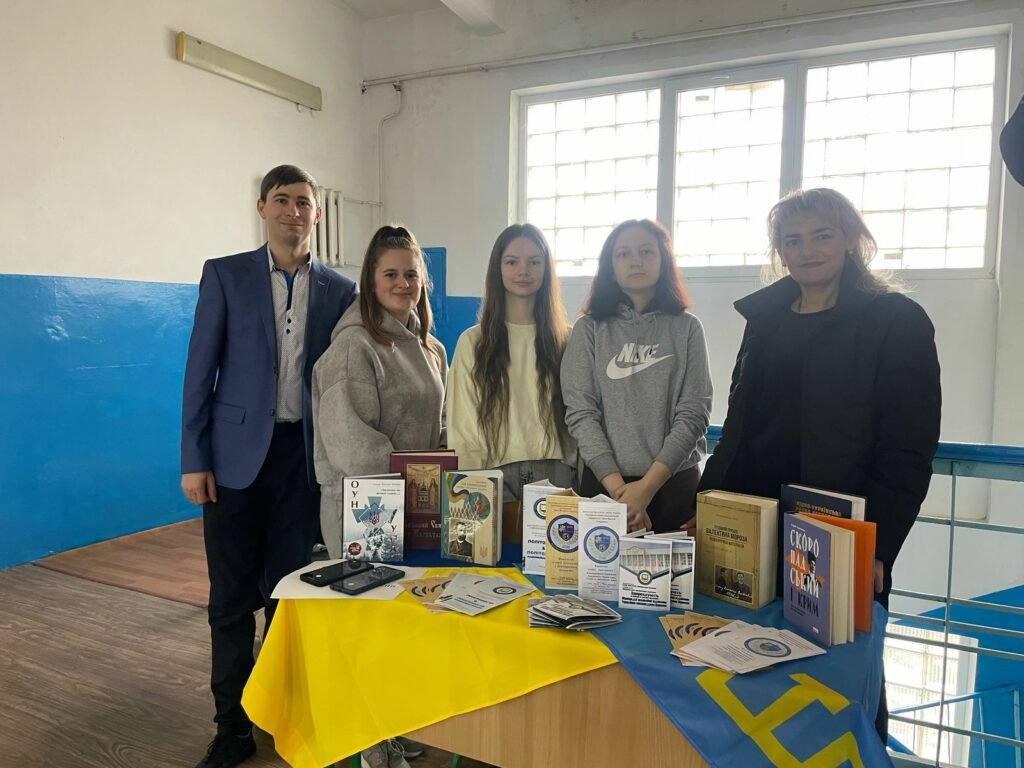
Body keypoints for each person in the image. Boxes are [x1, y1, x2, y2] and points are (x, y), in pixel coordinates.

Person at [694, 187, 941, 741]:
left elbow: (907, 449)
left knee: (842, 676)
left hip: (837, 534)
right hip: (752, 525)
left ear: (850, 238)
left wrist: (879, 545)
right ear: (780, 251)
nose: (806, 250)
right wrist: (705, 507)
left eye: (822, 235)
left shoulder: (897, 320)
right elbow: (737, 427)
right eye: (792, 240)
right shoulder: (765, 319)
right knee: (741, 667)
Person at [180, 165, 357, 768]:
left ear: (317, 214)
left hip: (301, 462)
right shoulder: (225, 274)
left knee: (288, 596)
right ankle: (231, 727)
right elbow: (199, 370)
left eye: (303, 202)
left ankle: (280, 714)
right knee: (230, 600)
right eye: (281, 200)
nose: (292, 211)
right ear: (262, 208)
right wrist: (194, 457)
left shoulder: (340, 290)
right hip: (232, 461)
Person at [312, 224, 443, 768]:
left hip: (416, 508)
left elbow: (438, 431)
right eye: (390, 273)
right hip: (364, 511)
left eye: (411, 274)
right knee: (370, 628)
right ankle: (370, 745)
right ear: (370, 280)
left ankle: (390, 724)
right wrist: (420, 480)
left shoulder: (429, 347)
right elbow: (351, 444)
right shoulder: (354, 347)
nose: (402, 283)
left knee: (401, 624)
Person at [560, 219, 712, 532]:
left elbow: (694, 414)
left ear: (663, 260)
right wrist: (622, 494)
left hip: (673, 485)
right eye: (623, 254)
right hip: (605, 486)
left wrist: (645, 489)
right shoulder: (588, 329)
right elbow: (581, 413)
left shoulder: (688, 328)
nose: (635, 261)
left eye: (646, 251)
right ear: (610, 266)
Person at [446, 224, 574, 499]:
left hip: (560, 473)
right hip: (493, 475)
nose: (523, 271)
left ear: (547, 269)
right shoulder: (473, 342)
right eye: (512, 262)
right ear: (498, 268)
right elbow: (463, 427)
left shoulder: (569, 340)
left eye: (534, 262)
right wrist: (473, 483)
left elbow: (582, 416)